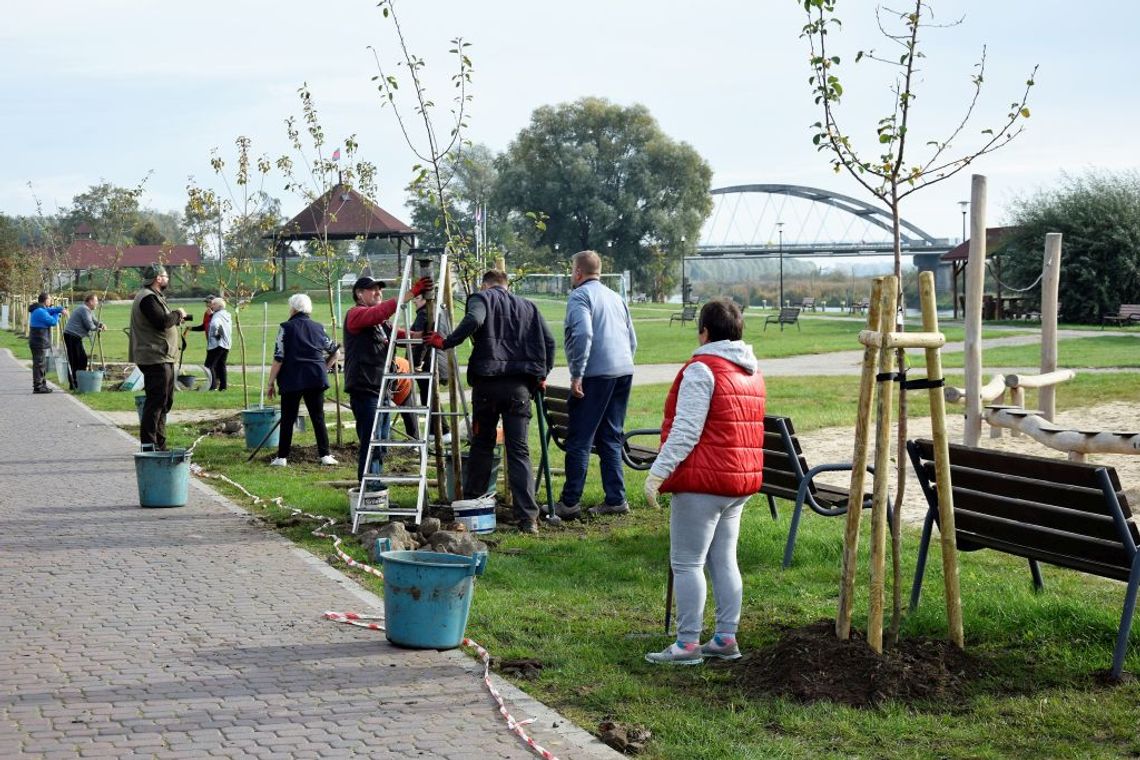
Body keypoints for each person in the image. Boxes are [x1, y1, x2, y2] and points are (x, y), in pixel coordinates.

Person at [642, 298, 766, 665]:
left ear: (705, 332)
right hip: (738, 482)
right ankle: (726, 637)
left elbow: (686, 430)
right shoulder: (751, 371)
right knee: (724, 560)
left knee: (687, 563)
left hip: (703, 482)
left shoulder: (703, 370)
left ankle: (687, 644)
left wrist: (657, 473)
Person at [424, 270, 556, 534]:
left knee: (482, 447)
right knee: (519, 452)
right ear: (507, 285)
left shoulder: (481, 298)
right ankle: (528, 519)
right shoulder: (528, 306)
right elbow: (550, 342)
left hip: (487, 385)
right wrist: (541, 376)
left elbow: (474, 319)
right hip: (519, 388)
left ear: (485, 284)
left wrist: (447, 341)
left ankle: (472, 509)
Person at [554, 250, 638, 520]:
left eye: (571, 270)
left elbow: (583, 333)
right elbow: (632, 339)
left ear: (578, 272)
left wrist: (577, 373)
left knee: (579, 439)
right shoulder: (616, 298)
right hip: (623, 371)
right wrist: (623, 364)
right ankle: (616, 499)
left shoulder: (579, 296)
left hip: (595, 375)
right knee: (611, 436)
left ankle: (569, 503)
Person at [344, 274, 433, 484]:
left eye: (380, 289)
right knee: (372, 442)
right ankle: (370, 489)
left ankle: (376, 486)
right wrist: (410, 294)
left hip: (382, 389)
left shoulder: (381, 324)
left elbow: (401, 335)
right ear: (359, 294)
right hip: (365, 390)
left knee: (381, 444)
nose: (378, 292)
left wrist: (424, 337)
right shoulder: (356, 314)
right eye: (372, 289)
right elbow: (380, 311)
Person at [265, 293, 339, 467]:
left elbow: (279, 357)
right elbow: (335, 352)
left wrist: (270, 383)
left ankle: (282, 457)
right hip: (315, 377)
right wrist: (325, 367)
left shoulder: (286, 327)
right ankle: (325, 455)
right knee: (318, 417)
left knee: (288, 418)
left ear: (293, 308)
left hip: (292, 379)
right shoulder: (318, 327)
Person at [128, 263, 188, 451]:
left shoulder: (153, 297)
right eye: (165, 276)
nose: (167, 279)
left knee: (164, 402)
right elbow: (162, 322)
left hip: (162, 357)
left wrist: (177, 317)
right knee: (156, 401)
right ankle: (148, 444)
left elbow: (163, 320)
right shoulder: (148, 298)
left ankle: (159, 445)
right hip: (155, 357)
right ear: (158, 279)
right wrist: (178, 313)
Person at [411, 292, 451, 443]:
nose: (414, 302)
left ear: (424, 299)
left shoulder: (424, 314)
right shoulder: (439, 311)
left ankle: (441, 431)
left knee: (428, 397)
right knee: (430, 395)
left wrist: (417, 362)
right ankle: (436, 431)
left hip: (429, 361)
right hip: (439, 358)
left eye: (416, 298)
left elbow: (423, 340)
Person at [62, 293, 105, 390]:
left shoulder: (87, 310)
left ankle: (78, 382)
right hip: (72, 336)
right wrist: (98, 329)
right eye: (96, 301)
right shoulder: (84, 309)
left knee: (81, 359)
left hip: (75, 336)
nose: (97, 303)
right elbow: (89, 325)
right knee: (76, 360)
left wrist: (101, 325)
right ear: (90, 301)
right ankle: (74, 383)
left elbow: (94, 320)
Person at [28, 292, 67, 394]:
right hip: (39, 342)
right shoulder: (41, 311)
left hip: (38, 341)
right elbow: (53, 322)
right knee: (39, 364)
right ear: (45, 300)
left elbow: (50, 310)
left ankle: (42, 384)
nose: (51, 301)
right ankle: (38, 386)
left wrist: (60, 309)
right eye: (49, 299)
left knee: (40, 364)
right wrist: (57, 313)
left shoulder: (40, 309)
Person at [204, 298, 232, 391]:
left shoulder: (217, 316)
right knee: (221, 365)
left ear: (218, 305)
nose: (211, 306)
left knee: (209, 365)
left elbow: (216, 324)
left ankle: (212, 386)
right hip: (226, 344)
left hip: (216, 344)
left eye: (213, 304)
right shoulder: (226, 314)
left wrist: (217, 334)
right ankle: (223, 387)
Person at [188, 295, 216, 370]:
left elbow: (217, 325)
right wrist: (191, 328)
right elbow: (204, 326)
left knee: (210, 364)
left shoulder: (217, 313)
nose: (207, 304)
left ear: (214, 303)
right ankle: (215, 380)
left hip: (217, 342)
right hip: (210, 342)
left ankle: (214, 381)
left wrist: (211, 315)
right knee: (211, 365)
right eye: (206, 302)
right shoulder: (206, 313)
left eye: (209, 302)